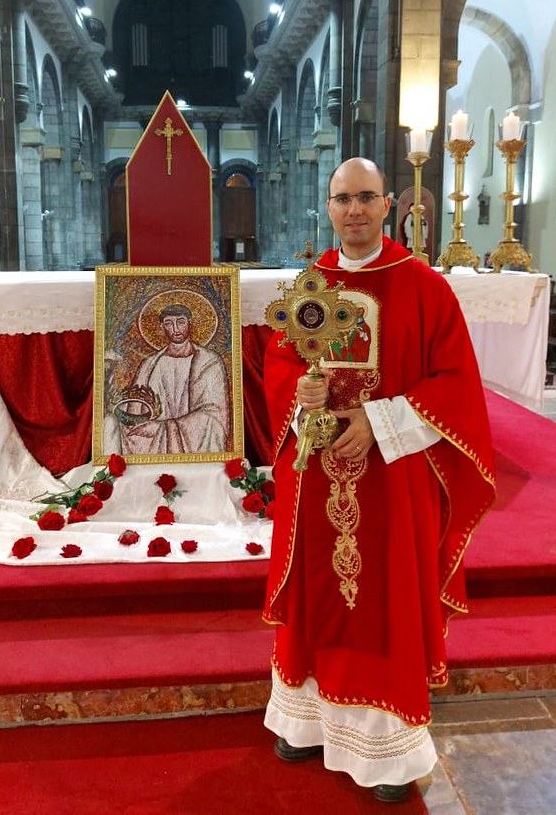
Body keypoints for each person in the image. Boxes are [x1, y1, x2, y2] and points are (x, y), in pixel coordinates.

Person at [262, 157, 496, 804]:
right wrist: (298, 391)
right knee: (317, 591)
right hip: (317, 475)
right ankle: (304, 721)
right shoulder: (312, 285)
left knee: (384, 598)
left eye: (367, 197)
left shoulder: (424, 288)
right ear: (329, 207)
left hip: (392, 475)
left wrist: (383, 418)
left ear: (388, 205)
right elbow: (278, 364)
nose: (355, 210)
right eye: (343, 199)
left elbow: (456, 385)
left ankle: (387, 749)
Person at [104, 302, 230, 456]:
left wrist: (163, 428)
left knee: (210, 423)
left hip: (189, 439)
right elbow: (134, 409)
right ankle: (111, 473)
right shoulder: (149, 364)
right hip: (150, 438)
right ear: (163, 328)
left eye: (180, 322)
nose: (176, 329)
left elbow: (214, 416)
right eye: (169, 324)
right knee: (109, 422)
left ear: (190, 324)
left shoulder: (209, 361)